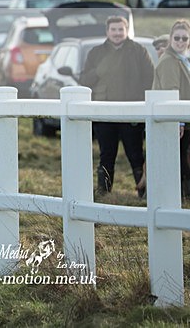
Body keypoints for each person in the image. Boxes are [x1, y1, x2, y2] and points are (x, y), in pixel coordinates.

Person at [79, 16, 154, 197]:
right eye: (114, 30)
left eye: (121, 29)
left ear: (126, 31)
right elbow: (83, 80)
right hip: (104, 113)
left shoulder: (138, 51)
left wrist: (139, 102)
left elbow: (149, 78)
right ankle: (104, 193)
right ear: (107, 32)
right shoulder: (96, 53)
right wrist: (98, 71)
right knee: (106, 155)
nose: (117, 33)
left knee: (135, 155)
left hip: (131, 113)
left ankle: (144, 193)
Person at [152, 19, 190, 196]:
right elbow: (171, 91)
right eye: (177, 38)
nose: (180, 42)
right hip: (175, 118)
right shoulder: (169, 60)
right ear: (171, 39)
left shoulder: (183, 58)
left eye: (184, 38)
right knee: (177, 159)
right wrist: (179, 122)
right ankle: (178, 196)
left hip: (183, 115)